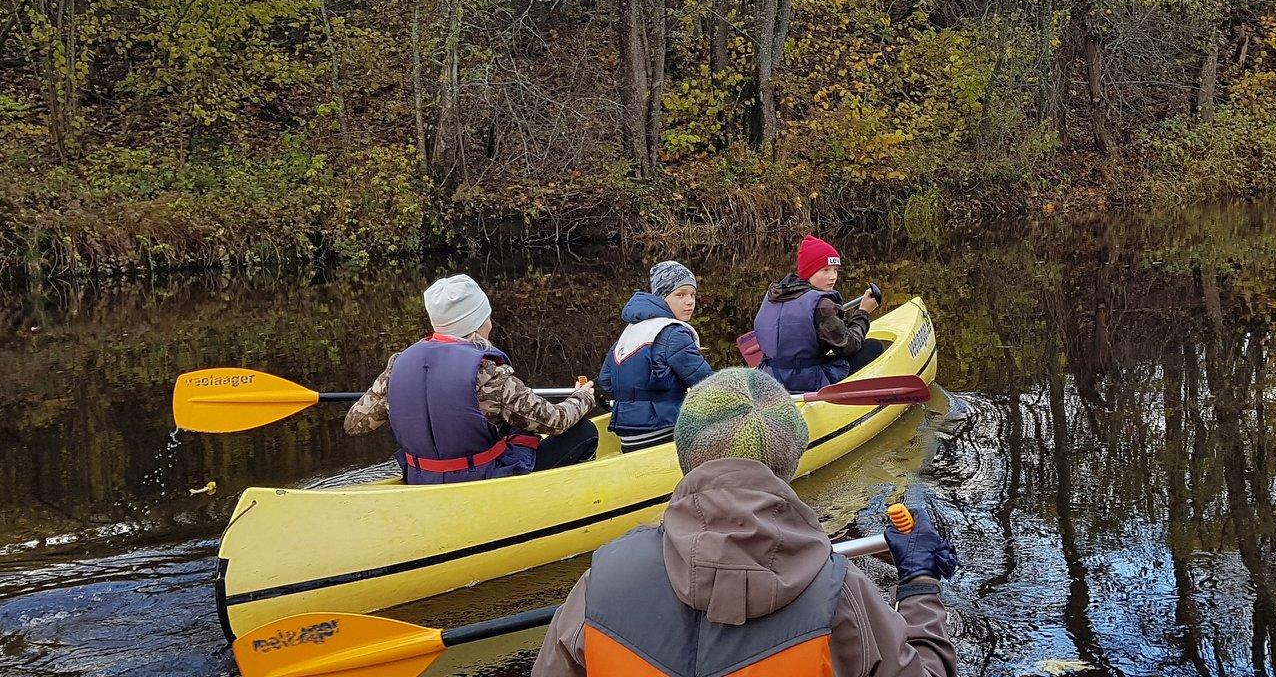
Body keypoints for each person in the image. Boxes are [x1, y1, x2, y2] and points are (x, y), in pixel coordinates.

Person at [533, 368, 958, 676]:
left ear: (684, 459)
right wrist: (919, 585)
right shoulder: (841, 592)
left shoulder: (602, 579)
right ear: (790, 466)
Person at [344, 274, 598, 484]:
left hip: (421, 478)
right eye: (486, 315)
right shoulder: (488, 374)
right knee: (584, 432)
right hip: (480, 481)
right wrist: (583, 397)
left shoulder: (397, 365)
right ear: (477, 323)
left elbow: (355, 424)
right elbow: (555, 421)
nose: (490, 322)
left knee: (517, 427)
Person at [597, 260, 715, 451]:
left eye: (693, 294)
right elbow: (707, 383)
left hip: (627, 433)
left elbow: (606, 382)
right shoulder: (673, 333)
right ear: (662, 297)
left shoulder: (630, 331)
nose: (689, 301)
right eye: (680, 294)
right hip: (662, 429)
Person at [755, 235, 888, 392]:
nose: (832, 277)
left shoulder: (774, 295)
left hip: (770, 376)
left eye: (835, 270)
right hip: (804, 382)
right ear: (809, 271)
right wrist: (863, 312)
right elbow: (849, 346)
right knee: (873, 347)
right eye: (825, 270)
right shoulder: (821, 305)